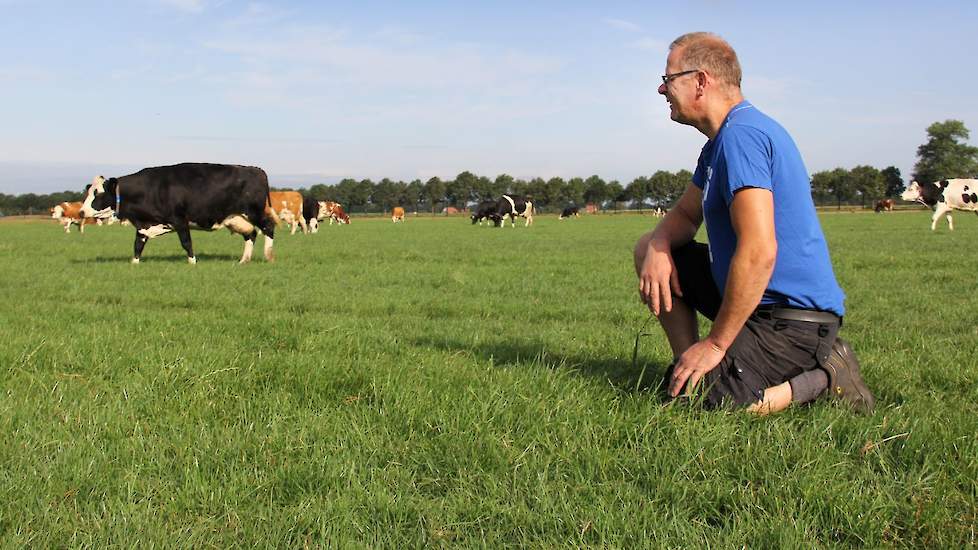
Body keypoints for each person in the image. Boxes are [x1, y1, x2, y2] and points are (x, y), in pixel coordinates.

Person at [633, 32, 874, 414]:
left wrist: (715, 343)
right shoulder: (718, 143)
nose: (662, 89)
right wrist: (659, 245)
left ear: (700, 81)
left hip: (792, 319)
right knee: (649, 245)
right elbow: (683, 215)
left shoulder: (742, 137)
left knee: (705, 404)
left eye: (669, 79)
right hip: (755, 303)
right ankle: (689, 367)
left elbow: (760, 251)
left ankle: (825, 375)